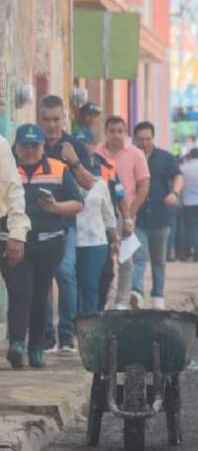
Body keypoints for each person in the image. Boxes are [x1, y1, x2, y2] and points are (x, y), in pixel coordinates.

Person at [1, 124, 83, 368]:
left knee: (39, 295)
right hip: (14, 241)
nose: (29, 151)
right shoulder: (8, 166)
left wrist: (55, 208)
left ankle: (36, 346)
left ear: (42, 146)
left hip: (49, 244)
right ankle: (16, 343)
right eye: (24, 146)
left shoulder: (58, 169)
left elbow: (78, 203)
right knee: (19, 291)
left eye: (34, 146)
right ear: (16, 147)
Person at [38, 95, 94, 353]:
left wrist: (73, 161)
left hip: (66, 221)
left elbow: (89, 183)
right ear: (40, 120)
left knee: (65, 273)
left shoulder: (74, 145)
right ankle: (46, 335)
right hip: (35, 223)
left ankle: (67, 334)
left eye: (56, 119)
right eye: (47, 120)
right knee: (41, 276)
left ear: (64, 118)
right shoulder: (31, 144)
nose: (51, 125)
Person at [94, 116, 150, 310]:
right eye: (112, 131)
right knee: (103, 259)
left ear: (125, 132)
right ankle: (103, 298)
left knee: (126, 259)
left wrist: (131, 214)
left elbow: (143, 184)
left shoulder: (135, 154)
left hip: (125, 214)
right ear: (106, 132)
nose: (116, 135)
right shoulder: (96, 153)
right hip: (99, 217)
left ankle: (121, 302)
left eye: (120, 131)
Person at [131, 121, 183, 309]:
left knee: (159, 260)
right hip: (137, 217)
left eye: (148, 139)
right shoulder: (130, 157)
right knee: (139, 257)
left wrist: (174, 193)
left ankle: (158, 297)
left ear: (153, 138)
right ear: (135, 139)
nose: (144, 143)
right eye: (141, 139)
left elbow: (178, 176)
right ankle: (136, 292)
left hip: (161, 217)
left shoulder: (165, 158)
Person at [73, 127, 119, 315]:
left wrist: (115, 239)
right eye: (79, 146)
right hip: (71, 240)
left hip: (96, 242)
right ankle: (74, 323)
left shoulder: (101, 182)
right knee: (73, 284)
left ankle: (90, 322)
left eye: (86, 145)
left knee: (91, 283)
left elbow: (109, 213)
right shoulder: (64, 178)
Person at [0, 133, 31, 365]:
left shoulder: (0, 145)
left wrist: (17, 233)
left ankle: (17, 343)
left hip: (3, 227)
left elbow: (13, 189)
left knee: (19, 288)